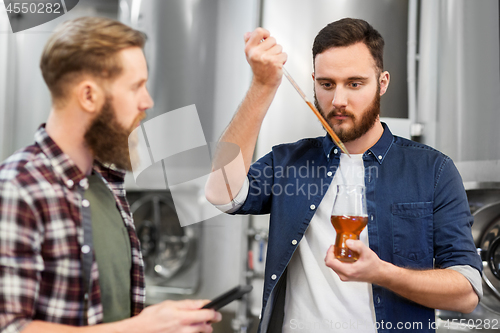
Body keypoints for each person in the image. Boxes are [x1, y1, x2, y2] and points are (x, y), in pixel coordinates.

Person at [205, 18, 482, 333]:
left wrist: (382, 273)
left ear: (382, 82)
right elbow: (221, 194)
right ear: (313, 82)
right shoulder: (290, 162)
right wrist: (262, 85)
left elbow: (467, 293)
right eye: (326, 84)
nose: (338, 100)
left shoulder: (433, 171)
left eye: (354, 83)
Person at [0, 17, 221, 333]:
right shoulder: (17, 189)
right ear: (89, 96)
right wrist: (140, 329)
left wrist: (165, 324)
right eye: (136, 87)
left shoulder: (107, 183)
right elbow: (11, 327)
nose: (147, 101)